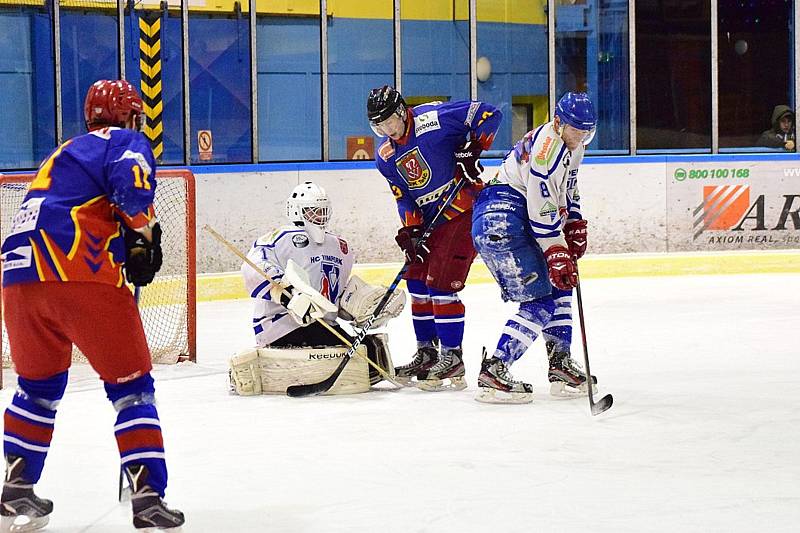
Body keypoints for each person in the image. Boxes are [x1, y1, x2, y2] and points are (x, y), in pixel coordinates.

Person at [0, 80, 184, 530]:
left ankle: (15, 490)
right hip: (78, 274)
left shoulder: (63, 153)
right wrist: (143, 238)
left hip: (17, 278)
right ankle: (147, 497)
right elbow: (131, 189)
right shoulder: (125, 139)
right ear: (129, 115)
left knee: (36, 390)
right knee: (132, 388)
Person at [366, 85, 502, 391]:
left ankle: (452, 356)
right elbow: (403, 198)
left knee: (440, 284)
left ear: (401, 111)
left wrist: (472, 151)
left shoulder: (434, 118)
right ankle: (427, 352)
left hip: (462, 210)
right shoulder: (385, 156)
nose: (387, 130)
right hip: (430, 220)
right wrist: (412, 231)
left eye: (389, 121)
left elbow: (490, 114)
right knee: (416, 281)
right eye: (379, 126)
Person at [470, 92, 599, 404]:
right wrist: (556, 249)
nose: (579, 136)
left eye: (585, 132)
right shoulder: (547, 151)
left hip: (514, 217)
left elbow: (567, 188)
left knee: (561, 285)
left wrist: (575, 221)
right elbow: (540, 208)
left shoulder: (573, 145)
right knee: (539, 303)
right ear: (558, 123)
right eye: (575, 130)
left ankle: (560, 364)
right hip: (503, 219)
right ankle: (495, 368)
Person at [230, 181, 404, 395]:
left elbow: (335, 298)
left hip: (323, 325)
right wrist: (288, 297)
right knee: (358, 355)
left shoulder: (341, 247)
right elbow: (254, 269)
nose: (318, 216)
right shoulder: (279, 239)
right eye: (312, 211)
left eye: (322, 210)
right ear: (295, 210)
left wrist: (360, 307)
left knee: (367, 350)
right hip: (281, 325)